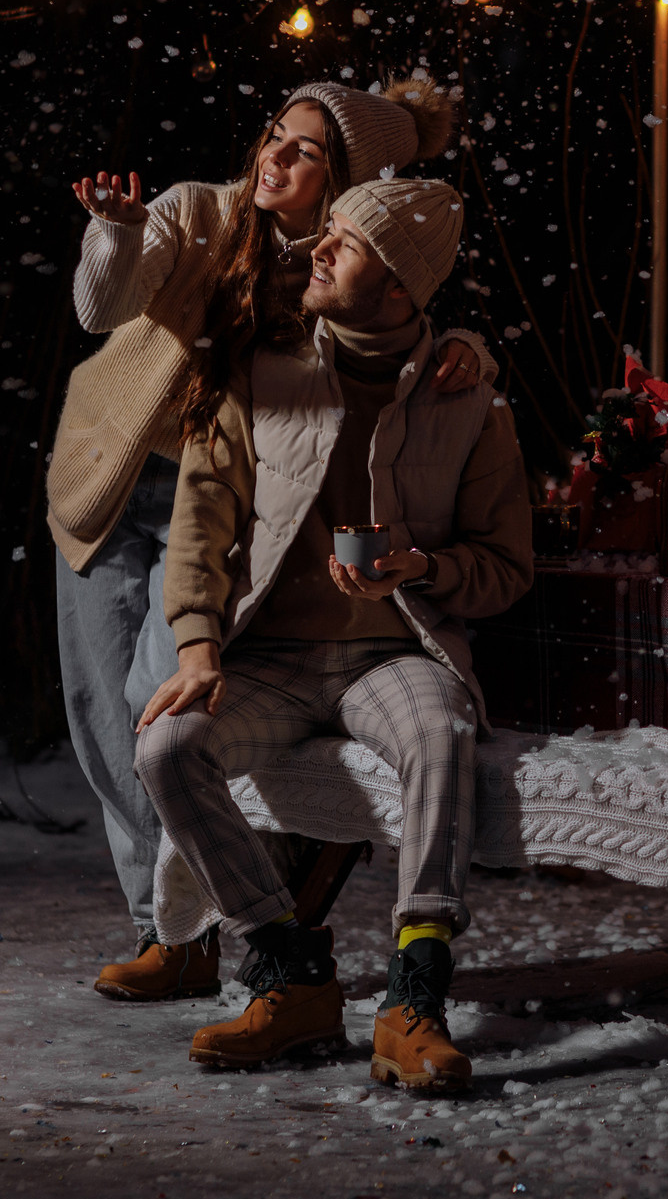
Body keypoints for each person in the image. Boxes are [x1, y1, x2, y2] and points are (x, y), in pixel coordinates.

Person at [48, 78, 490, 1004]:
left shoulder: (343, 263)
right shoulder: (199, 214)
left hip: (225, 502)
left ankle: (200, 924)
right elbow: (100, 305)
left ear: (349, 185)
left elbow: (401, 334)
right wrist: (116, 232)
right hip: (113, 481)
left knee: (156, 702)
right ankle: (162, 930)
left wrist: (472, 351)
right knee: (99, 721)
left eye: (305, 153)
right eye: (274, 139)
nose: (274, 160)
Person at [134, 174, 532, 1091]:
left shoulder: (468, 400)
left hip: (390, 652)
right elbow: (200, 517)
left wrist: (420, 567)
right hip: (269, 658)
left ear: (397, 286)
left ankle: (415, 997)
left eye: (345, 244)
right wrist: (197, 644)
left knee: (441, 731)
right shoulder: (261, 370)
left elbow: (506, 566)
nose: (317, 247)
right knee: (166, 747)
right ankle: (291, 973)